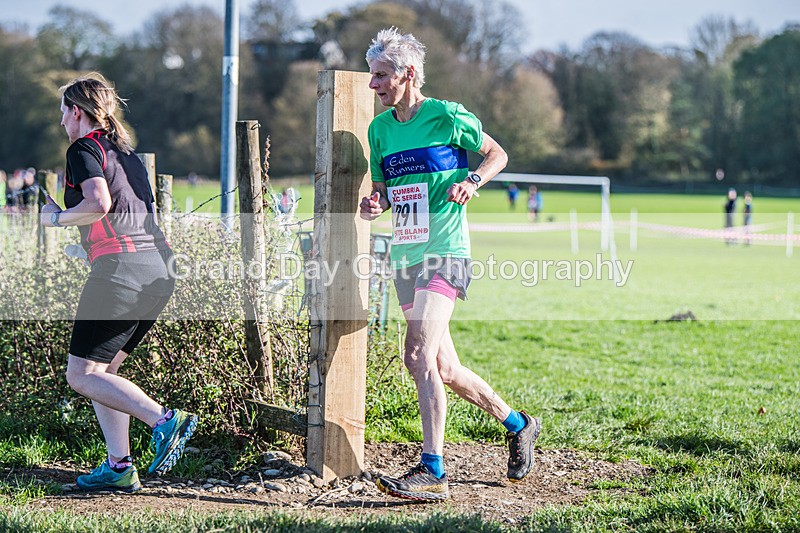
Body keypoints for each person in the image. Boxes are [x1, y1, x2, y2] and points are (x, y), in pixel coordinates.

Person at [359, 28, 542, 502]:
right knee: (445, 367)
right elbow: (383, 189)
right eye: (372, 75)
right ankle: (520, 424)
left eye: (381, 76)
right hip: (405, 256)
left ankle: (433, 471)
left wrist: (473, 181)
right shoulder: (380, 131)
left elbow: (497, 154)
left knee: (417, 354)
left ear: (409, 74)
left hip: (446, 253)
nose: (373, 84)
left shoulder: (447, 117)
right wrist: (374, 203)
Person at [41, 74, 197, 493]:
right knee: (105, 371)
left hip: (123, 271)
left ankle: (165, 420)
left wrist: (55, 219)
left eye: (62, 113)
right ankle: (119, 465)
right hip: (159, 268)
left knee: (80, 374)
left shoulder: (83, 148)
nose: (61, 123)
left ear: (77, 111)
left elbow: (99, 204)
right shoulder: (124, 153)